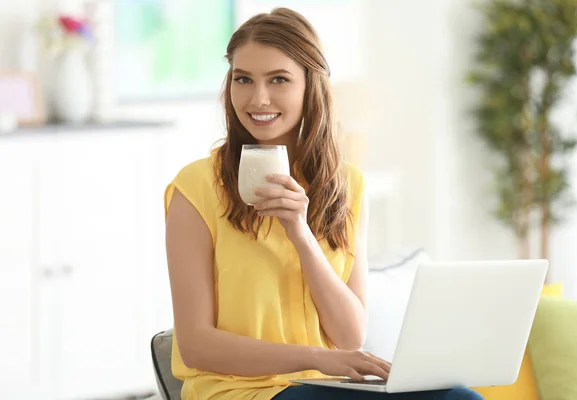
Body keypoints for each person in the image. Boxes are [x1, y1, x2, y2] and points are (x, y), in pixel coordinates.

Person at [164, 7, 484, 400]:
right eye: (243, 79)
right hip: (239, 392)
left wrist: (300, 233)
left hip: (324, 385)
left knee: (459, 398)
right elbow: (196, 345)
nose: (257, 98)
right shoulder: (196, 187)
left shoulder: (348, 185)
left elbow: (350, 335)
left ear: (309, 85)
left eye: (278, 79)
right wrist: (317, 357)